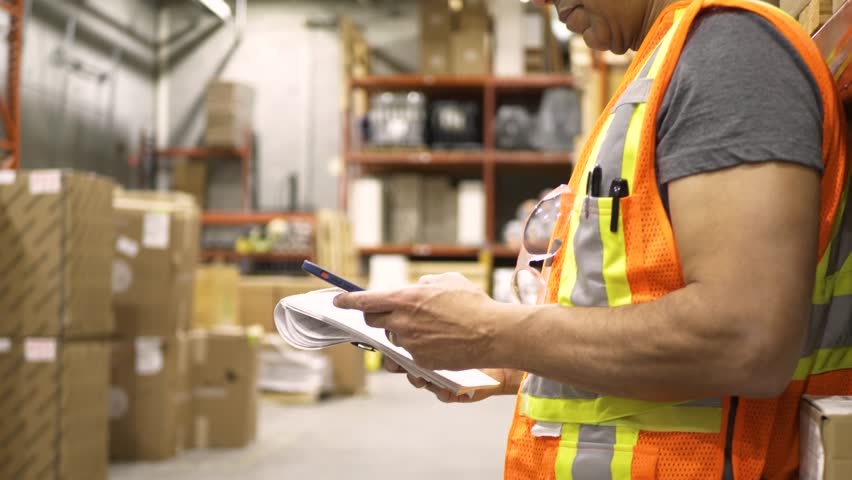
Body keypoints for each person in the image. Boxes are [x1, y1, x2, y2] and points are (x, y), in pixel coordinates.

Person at [335, 0, 852, 478]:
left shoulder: (731, 55)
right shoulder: (670, 65)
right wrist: (518, 363)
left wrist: (495, 330)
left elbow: (747, 341)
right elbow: (646, 305)